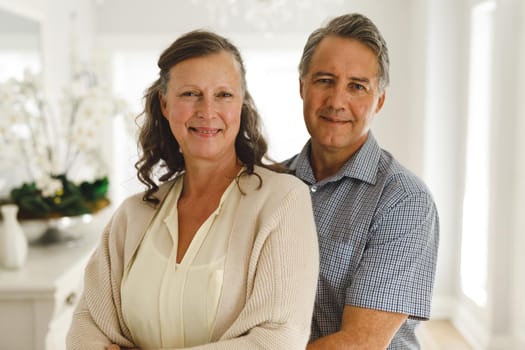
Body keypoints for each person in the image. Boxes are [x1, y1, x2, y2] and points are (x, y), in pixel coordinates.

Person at [66, 30, 319, 350]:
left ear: (241, 103)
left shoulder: (282, 201)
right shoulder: (133, 215)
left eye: (224, 95)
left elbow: (277, 339)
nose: (207, 110)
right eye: (190, 94)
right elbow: (86, 324)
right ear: (165, 103)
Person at [285, 13, 439, 349]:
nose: (337, 102)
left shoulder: (404, 200)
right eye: (324, 80)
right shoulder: (271, 184)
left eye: (357, 86)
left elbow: (359, 344)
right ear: (302, 87)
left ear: (379, 100)